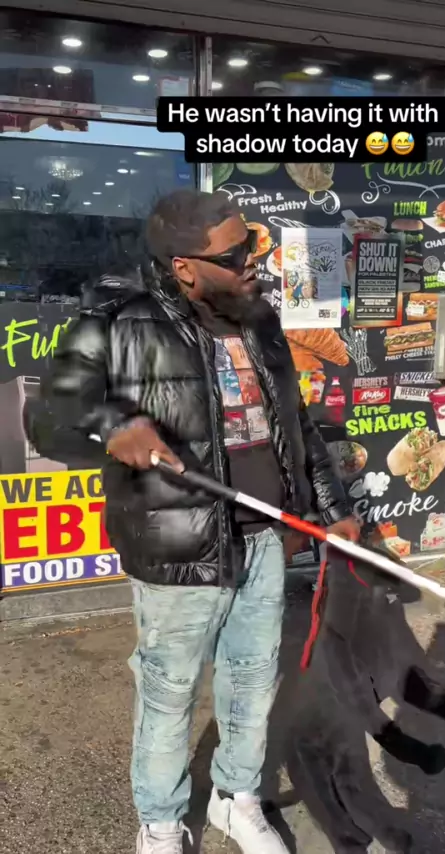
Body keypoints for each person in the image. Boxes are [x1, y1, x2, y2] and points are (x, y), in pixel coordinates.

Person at [24, 189, 360, 854]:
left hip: (263, 539)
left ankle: (237, 798)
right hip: (177, 544)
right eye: (235, 255)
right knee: (170, 690)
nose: (253, 261)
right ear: (184, 266)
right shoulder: (117, 316)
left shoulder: (258, 315)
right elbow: (48, 416)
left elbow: (297, 425)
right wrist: (113, 424)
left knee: (252, 679)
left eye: (252, 245)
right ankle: (159, 820)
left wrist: (335, 509)